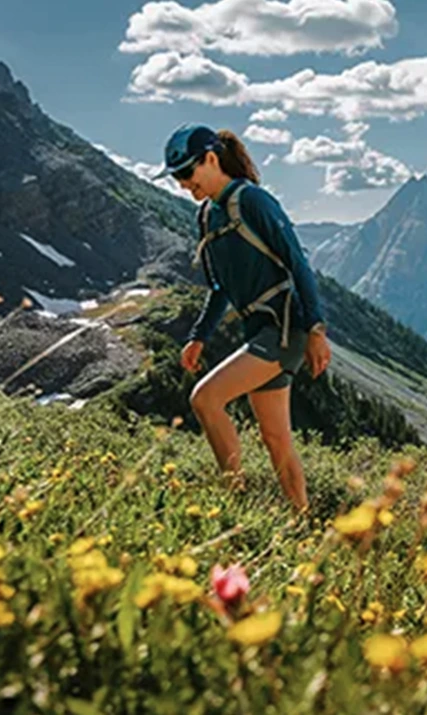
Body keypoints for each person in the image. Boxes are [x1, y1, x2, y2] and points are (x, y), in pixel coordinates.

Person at [154, 124, 330, 513]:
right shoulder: (206, 215)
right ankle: (303, 521)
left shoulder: (253, 201)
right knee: (275, 438)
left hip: (283, 328)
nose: (184, 184)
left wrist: (316, 329)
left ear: (212, 159)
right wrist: (199, 335)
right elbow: (219, 287)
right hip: (260, 330)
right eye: (177, 177)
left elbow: (298, 264)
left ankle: (232, 502)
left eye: (187, 173)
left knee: (205, 399)